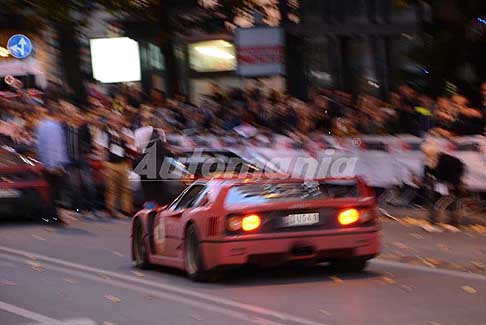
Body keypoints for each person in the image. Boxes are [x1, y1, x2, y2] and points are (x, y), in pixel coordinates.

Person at [34, 104, 69, 221]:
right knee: (56, 191)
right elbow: (56, 147)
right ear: (58, 114)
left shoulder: (41, 125)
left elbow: (39, 146)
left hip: (46, 163)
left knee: (50, 190)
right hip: (54, 164)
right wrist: (57, 165)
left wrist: (45, 162)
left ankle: (49, 214)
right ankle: (53, 216)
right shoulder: (56, 127)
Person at [65, 110, 97, 217]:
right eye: (72, 115)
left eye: (76, 114)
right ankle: (78, 209)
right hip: (71, 160)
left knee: (89, 184)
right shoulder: (66, 128)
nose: (74, 117)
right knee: (74, 185)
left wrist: (86, 151)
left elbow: (89, 142)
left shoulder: (84, 127)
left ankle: (91, 208)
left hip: (82, 159)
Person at [104, 114, 133, 218]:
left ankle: (126, 210)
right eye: (114, 120)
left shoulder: (126, 131)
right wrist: (104, 163)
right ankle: (111, 209)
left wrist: (120, 132)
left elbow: (131, 142)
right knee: (111, 188)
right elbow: (103, 148)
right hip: (110, 163)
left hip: (123, 163)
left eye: (118, 121)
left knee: (126, 188)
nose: (116, 123)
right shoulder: (105, 132)